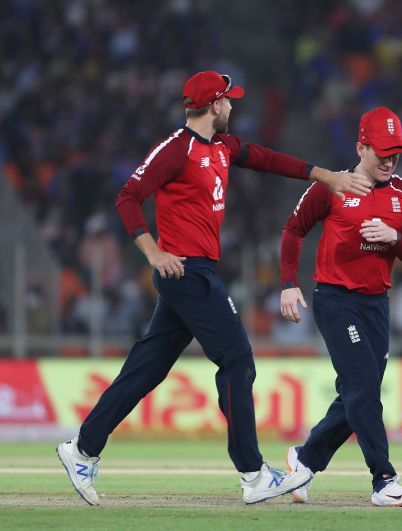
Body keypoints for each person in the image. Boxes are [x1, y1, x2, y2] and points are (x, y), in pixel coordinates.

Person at [56, 70, 372, 506]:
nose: (233, 107)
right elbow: (128, 197)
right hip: (187, 272)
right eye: (229, 101)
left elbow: (266, 159)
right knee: (238, 360)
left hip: (196, 271)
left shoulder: (223, 146)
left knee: (147, 367)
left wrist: (326, 176)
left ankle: (82, 449)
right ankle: (253, 472)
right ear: (214, 105)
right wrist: (153, 253)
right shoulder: (176, 149)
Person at [279, 106, 402, 507]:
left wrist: (394, 236)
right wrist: (289, 284)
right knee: (362, 384)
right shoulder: (332, 185)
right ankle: (384, 479)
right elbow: (294, 230)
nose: (390, 160)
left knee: (357, 392)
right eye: (382, 152)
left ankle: (305, 459)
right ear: (361, 146)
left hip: (377, 302)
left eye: (396, 152)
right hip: (336, 299)